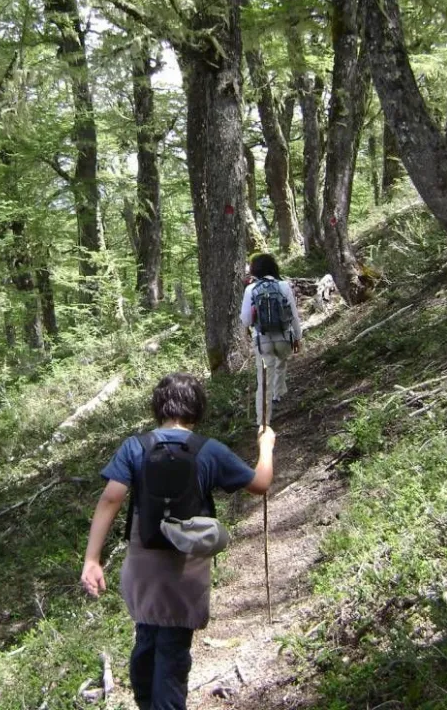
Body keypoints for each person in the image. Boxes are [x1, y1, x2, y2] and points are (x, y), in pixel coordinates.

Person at [80, 373, 276, 710]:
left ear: (158, 407)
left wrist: (92, 559)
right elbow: (260, 484)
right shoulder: (209, 449)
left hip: (144, 563)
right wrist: (266, 446)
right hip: (187, 565)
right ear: (197, 408)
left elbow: (111, 498)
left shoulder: (135, 447)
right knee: (172, 653)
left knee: (146, 639)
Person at [240, 253, 302, 426]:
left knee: (264, 380)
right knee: (281, 361)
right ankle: (278, 395)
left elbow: (246, 320)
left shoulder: (251, 289)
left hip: (263, 340)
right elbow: (293, 315)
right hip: (284, 337)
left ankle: (263, 422)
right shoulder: (283, 286)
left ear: (256, 270)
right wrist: (298, 337)